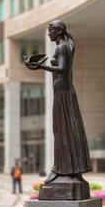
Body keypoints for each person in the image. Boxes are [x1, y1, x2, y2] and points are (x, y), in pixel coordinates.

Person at [25, 20, 92, 183]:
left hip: (63, 94)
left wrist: (41, 67)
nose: (49, 34)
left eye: (51, 30)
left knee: (61, 131)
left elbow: (62, 69)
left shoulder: (61, 47)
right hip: (64, 92)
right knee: (66, 131)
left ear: (59, 31)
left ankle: (61, 169)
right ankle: (71, 169)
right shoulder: (66, 46)